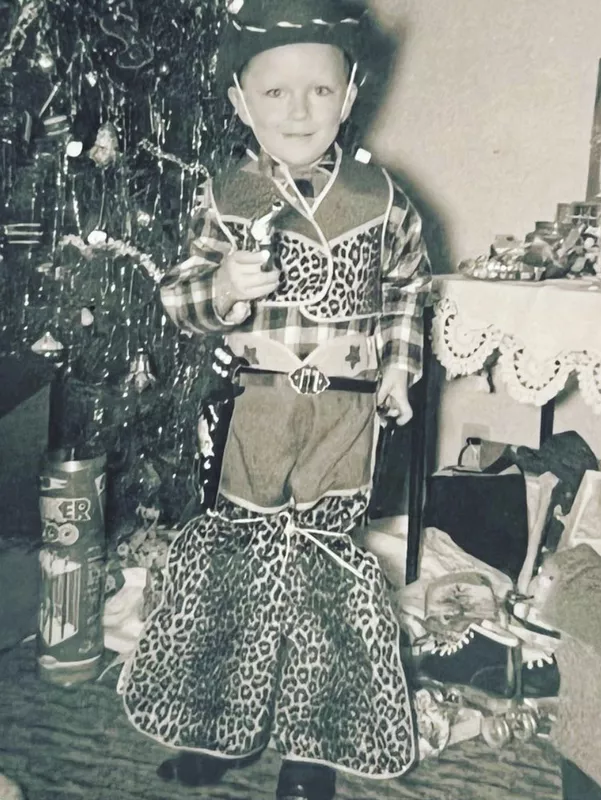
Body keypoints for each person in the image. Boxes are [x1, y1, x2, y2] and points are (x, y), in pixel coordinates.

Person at [117, 2, 431, 799]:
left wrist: (397, 368)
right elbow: (179, 294)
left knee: (325, 570)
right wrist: (222, 287)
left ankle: (312, 748)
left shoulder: (385, 199)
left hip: (343, 417)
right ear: (239, 104)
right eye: (277, 93)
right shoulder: (229, 195)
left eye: (320, 91)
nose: (299, 111)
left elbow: (406, 291)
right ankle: (217, 728)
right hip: (258, 411)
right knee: (239, 567)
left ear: (351, 92)